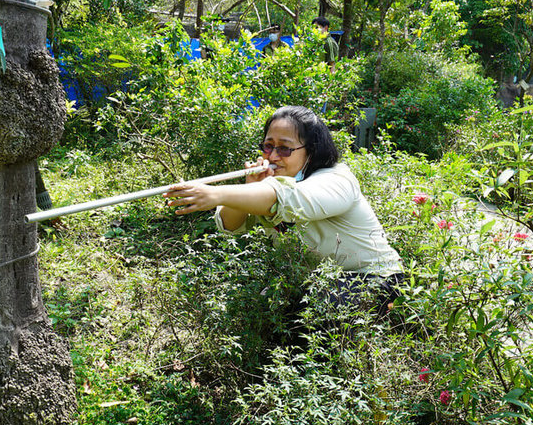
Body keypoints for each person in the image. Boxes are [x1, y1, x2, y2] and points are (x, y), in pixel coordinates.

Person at [164, 106, 404, 317]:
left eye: (285, 149)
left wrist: (216, 194)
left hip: (374, 278)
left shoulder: (337, 180)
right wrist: (249, 188)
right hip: (315, 280)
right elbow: (230, 225)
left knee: (319, 305)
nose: (273, 156)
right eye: (268, 147)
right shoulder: (272, 183)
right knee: (263, 304)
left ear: (311, 150)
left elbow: (291, 200)